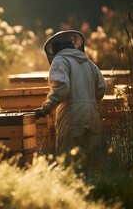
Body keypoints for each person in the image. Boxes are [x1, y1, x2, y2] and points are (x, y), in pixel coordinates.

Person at [34, 30, 106, 169]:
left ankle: (70, 187)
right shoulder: (88, 63)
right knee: (91, 160)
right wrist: (90, 102)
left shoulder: (60, 61)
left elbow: (61, 87)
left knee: (67, 160)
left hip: (72, 113)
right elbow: (102, 87)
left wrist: (46, 108)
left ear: (55, 48)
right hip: (92, 112)